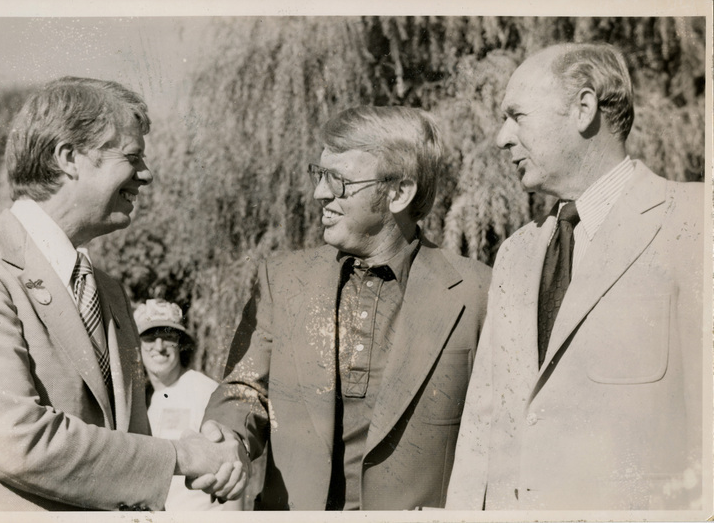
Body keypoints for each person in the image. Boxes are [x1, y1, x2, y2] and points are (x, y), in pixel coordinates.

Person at [0, 77, 246, 511]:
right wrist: (184, 455)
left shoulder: (107, 289)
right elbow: (16, 439)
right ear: (69, 158)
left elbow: (127, 443)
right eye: (132, 157)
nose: (146, 175)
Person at [445, 43, 704, 510]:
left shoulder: (694, 222)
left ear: (584, 108)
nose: (502, 137)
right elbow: (483, 429)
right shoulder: (516, 254)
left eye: (517, 115)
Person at [202, 106, 492, 510]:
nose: (320, 193)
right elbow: (245, 387)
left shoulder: (480, 292)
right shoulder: (281, 280)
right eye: (319, 175)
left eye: (338, 181)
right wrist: (228, 438)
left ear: (398, 193)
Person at [134, 298, 244, 511]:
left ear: (180, 342)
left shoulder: (205, 391)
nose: (159, 346)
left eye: (167, 336)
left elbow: (233, 469)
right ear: (137, 344)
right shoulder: (140, 399)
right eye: (150, 337)